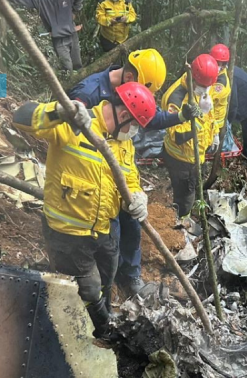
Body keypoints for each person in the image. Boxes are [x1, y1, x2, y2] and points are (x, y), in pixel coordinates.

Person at [12, 82, 156, 337]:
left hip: (106, 230)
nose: (134, 132)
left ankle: (97, 319)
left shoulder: (124, 145)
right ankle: (101, 333)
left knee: (105, 282)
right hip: (69, 235)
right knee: (88, 290)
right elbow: (21, 118)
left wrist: (137, 197)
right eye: (134, 126)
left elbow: (130, 179)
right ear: (124, 116)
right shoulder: (74, 123)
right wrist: (58, 112)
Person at [68, 49, 201, 299]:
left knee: (133, 220)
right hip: (94, 179)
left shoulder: (130, 93)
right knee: (112, 231)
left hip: (122, 170)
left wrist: (180, 116)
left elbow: (148, 117)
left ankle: (130, 276)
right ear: (129, 75)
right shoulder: (89, 93)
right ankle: (107, 284)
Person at [162, 54, 218, 221]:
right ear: (193, 77)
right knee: (185, 197)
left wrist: (214, 134)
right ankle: (181, 223)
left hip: (196, 156)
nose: (206, 89)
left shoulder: (203, 88)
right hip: (180, 159)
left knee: (192, 188)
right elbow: (178, 136)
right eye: (203, 85)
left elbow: (210, 113)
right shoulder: (176, 98)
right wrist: (200, 115)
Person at [12, 0, 83, 72]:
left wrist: (75, 10)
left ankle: (82, 80)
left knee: (78, 65)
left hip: (72, 33)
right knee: (68, 68)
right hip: (59, 38)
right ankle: (70, 80)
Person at [208, 44, 231, 154]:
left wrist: (215, 134)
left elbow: (207, 99)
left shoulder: (221, 84)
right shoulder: (216, 74)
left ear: (223, 64)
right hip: (210, 118)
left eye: (219, 63)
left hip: (215, 123)